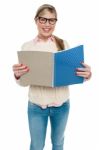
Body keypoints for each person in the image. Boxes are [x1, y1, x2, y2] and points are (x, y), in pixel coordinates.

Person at [12, 4, 91, 150]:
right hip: (36, 106)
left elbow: (73, 73)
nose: (47, 24)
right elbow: (23, 82)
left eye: (51, 20)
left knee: (58, 143)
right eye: (43, 19)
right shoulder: (27, 47)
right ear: (36, 20)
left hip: (62, 106)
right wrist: (18, 76)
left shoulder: (63, 44)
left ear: (55, 22)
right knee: (36, 146)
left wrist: (87, 75)